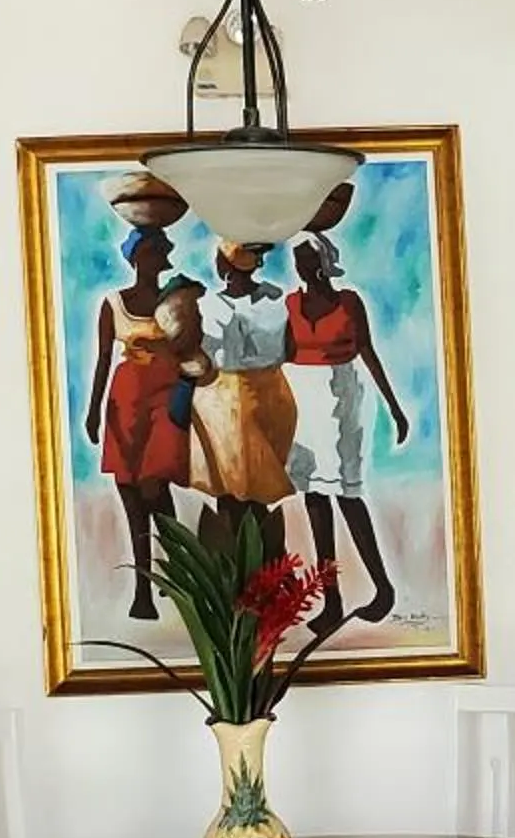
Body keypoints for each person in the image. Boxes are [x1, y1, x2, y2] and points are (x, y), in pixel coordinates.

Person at [281, 183, 413, 633]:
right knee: (314, 497)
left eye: (308, 261)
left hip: (342, 399)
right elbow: (279, 356)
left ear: (323, 263)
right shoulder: (291, 305)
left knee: (346, 494)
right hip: (302, 399)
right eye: (298, 262)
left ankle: (382, 586)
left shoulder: (348, 302)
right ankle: (331, 598)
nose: (302, 268)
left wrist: (395, 408)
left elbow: (369, 353)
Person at [82, 183, 205, 621]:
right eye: (149, 254)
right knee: (131, 494)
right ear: (135, 258)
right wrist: (94, 411)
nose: (156, 262)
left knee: (156, 486)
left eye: (160, 254)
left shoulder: (178, 299)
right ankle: (144, 592)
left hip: (164, 400)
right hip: (124, 401)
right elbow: (101, 360)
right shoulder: (113, 303)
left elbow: (193, 348)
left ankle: (181, 575)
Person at [183, 235, 302, 554]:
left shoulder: (210, 306)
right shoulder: (276, 300)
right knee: (250, 489)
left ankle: (250, 569)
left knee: (235, 492)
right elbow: (290, 349)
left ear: (225, 265)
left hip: (228, 399)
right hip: (270, 393)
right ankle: (262, 570)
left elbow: (199, 352)